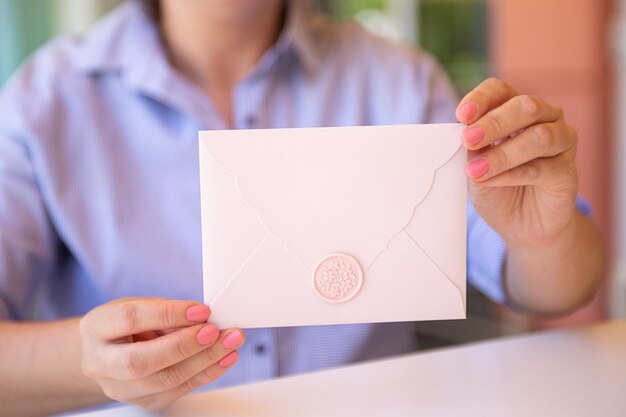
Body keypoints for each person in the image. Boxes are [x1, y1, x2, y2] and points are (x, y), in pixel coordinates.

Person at [0, 0, 604, 415]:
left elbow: (553, 288)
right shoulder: (42, 103)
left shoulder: (399, 79)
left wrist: (543, 238)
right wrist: (86, 360)